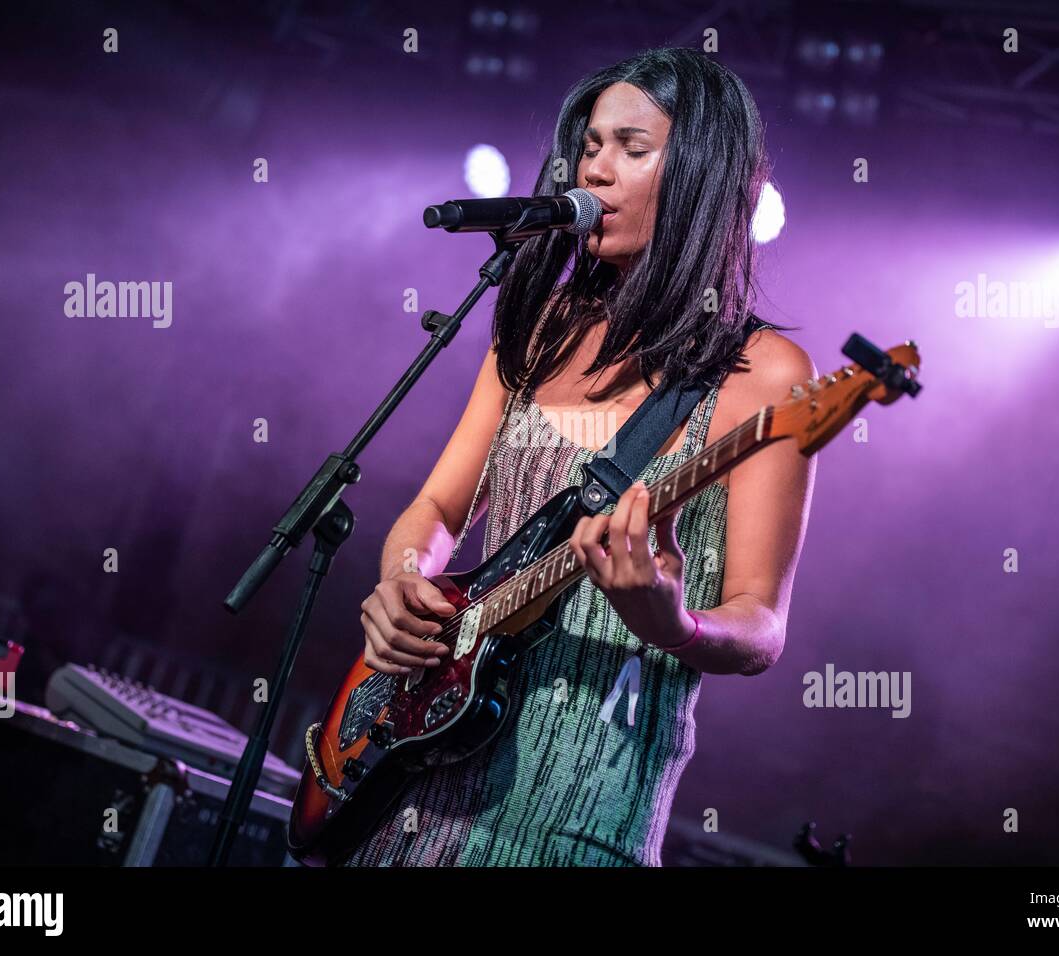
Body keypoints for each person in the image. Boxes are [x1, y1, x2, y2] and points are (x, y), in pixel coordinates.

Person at [342, 47, 817, 866]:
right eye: (590, 146)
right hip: (423, 772)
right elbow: (438, 509)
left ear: (702, 175)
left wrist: (674, 621)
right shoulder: (535, 322)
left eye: (633, 149)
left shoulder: (766, 373)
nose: (596, 169)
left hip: (586, 807)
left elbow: (761, 627)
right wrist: (403, 582)